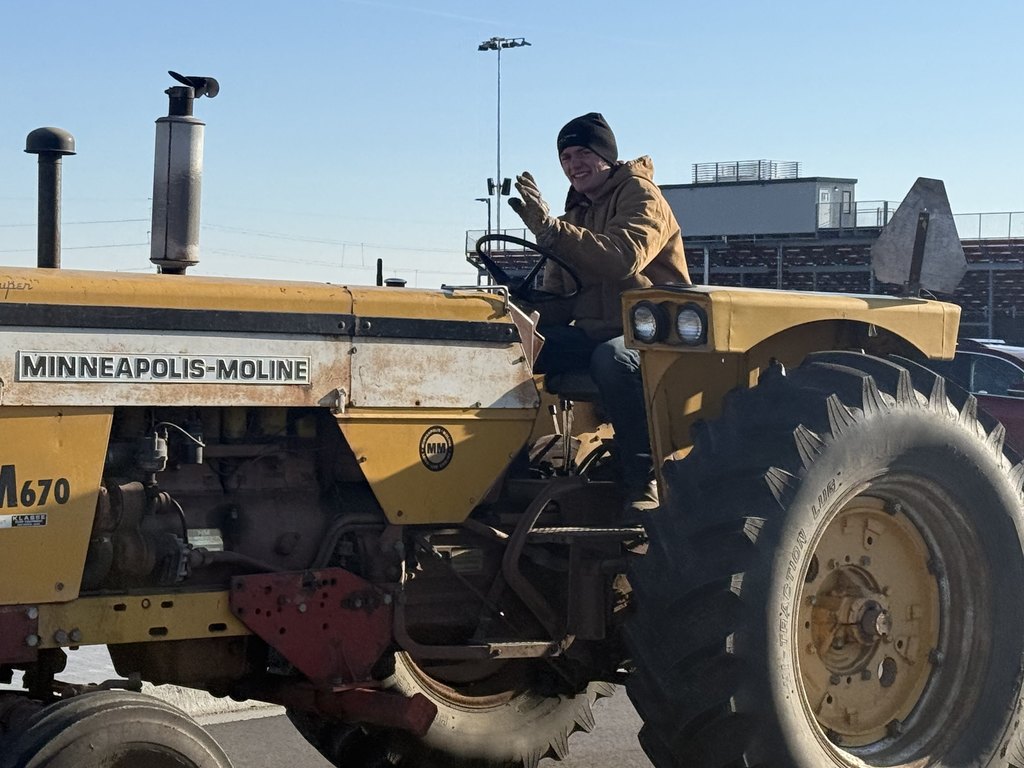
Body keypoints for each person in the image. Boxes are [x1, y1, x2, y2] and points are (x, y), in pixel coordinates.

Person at [508, 112, 690, 514]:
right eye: (566, 157)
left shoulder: (641, 196)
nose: (574, 164)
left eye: (583, 153)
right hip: (594, 330)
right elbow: (561, 299)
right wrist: (513, 313)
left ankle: (643, 480)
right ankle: (503, 464)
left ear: (607, 156)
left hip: (652, 332)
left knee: (613, 358)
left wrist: (553, 232)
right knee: (511, 349)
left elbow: (622, 259)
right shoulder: (576, 214)